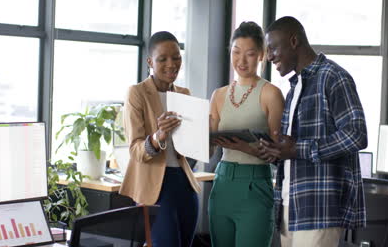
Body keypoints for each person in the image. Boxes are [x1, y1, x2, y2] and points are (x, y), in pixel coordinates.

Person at [258, 16, 368, 247]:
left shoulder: (333, 77)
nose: (269, 56)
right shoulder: (294, 87)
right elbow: (292, 151)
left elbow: (356, 134)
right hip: (289, 204)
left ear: (294, 41)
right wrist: (277, 153)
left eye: (273, 48)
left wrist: (298, 149)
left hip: (319, 207)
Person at [119, 31, 201, 247]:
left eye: (176, 57)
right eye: (162, 59)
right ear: (150, 62)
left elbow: (190, 150)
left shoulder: (184, 93)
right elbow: (136, 150)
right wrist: (158, 137)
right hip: (154, 187)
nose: (171, 64)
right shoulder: (136, 93)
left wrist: (205, 134)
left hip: (184, 184)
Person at [208, 21, 285, 247]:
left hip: (255, 185)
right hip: (222, 182)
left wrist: (245, 147)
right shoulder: (218, 95)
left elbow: (279, 154)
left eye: (250, 54)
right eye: (236, 52)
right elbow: (209, 148)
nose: (241, 61)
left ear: (261, 55)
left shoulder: (271, 94)